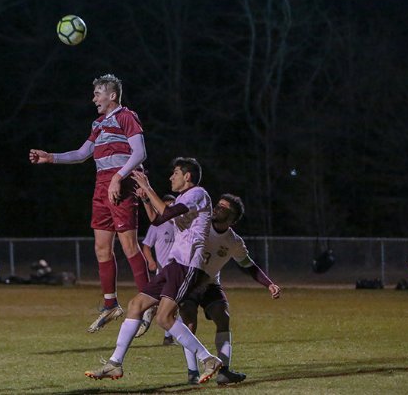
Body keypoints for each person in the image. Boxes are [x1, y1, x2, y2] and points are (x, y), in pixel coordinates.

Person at [29, 74, 151, 332]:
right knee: (101, 248)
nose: (93, 98)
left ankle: (148, 304)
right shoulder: (98, 124)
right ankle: (110, 305)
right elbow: (82, 154)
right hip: (102, 185)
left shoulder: (126, 116)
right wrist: (50, 157)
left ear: (112, 96)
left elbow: (140, 152)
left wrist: (119, 177)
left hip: (122, 183)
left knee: (129, 246)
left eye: (97, 93)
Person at [84, 157, 222, 384]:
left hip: (187, 264)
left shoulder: (198, 193)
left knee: (164, 318)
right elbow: (159, 220)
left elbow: (166, 214)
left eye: (175, 173)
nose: (171, 177)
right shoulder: (183, 197)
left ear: (187, 176)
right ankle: (114, 363)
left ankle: (208, 358)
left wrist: (148, 187)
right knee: (135, 305)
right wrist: (146, 199)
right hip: (173, 264)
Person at [180, 193, 281, 385]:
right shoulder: (200, 223)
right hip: (188, 282)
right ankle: (192, 372)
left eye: (223, 208)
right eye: (218, 205)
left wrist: (269, 284)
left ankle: (224, 372)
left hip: (210, 283)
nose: (217, 208)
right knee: (189, 324)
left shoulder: (233, 241)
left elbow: (249, 265)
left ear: (232, 219)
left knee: (223, 316)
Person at [137, 194, 177, 344]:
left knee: (173, 304)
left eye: (172, 206)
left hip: (179, 270)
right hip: (163, 271)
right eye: (166, 206)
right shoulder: (157, 226)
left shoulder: (181, 224)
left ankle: (168, 336)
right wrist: (150, 261)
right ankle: (149, 312)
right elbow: (146, 246)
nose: (169, 209)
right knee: (171, 302)